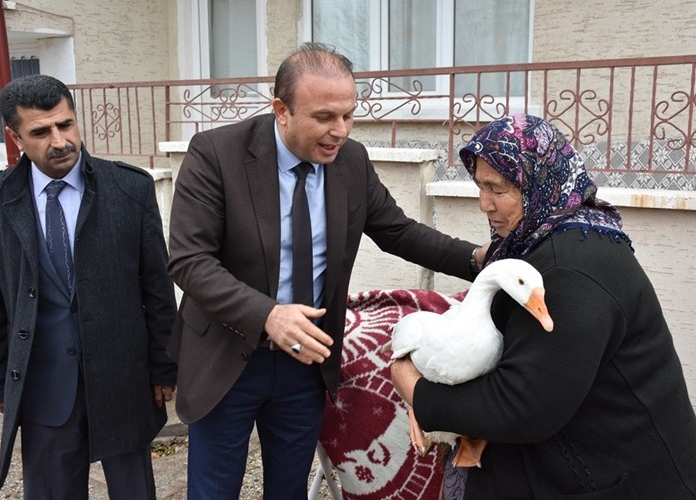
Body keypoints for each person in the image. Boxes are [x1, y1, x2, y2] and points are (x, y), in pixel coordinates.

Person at [167, 42, 485, 499]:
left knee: (289, 490)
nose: (340, 131)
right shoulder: (217, 153)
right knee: (213, 491)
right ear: (281, 109)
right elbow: (190, 260)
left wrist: (479, 261)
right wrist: (268, 316)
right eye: (324, 117)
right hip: (227, 356)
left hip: (307, 362)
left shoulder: (350, 162)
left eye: (348, 115)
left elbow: (399, 232)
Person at [391, 114, 696, 499]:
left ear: (539, 183)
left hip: (620, 478)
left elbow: (521, 406)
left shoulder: (569, 270)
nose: (483, 204)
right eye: (479, 186)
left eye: (498, 189)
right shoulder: (545, 235)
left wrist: (415, 389)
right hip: (586, 463)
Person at [0, 74, 177, 499]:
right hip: (43, 385)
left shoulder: (130, 189)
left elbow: (157, 287)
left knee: (133, 492)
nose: (59, 141)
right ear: (15, 136)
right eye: (40, 131)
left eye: (65, 125)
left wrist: (164, 365)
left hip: (123, 379)